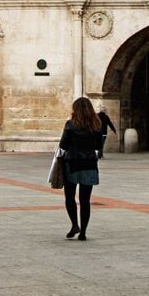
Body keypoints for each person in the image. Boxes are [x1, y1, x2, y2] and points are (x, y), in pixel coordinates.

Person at [59, 97, 102, 241]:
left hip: (72, 163)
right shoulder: (96, 125)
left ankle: (74, 225)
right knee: (85, 200)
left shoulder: (70, 124)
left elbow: (63, 145)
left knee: (70, 197)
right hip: (89, 164)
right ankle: (83, 231)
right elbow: (98, 146)